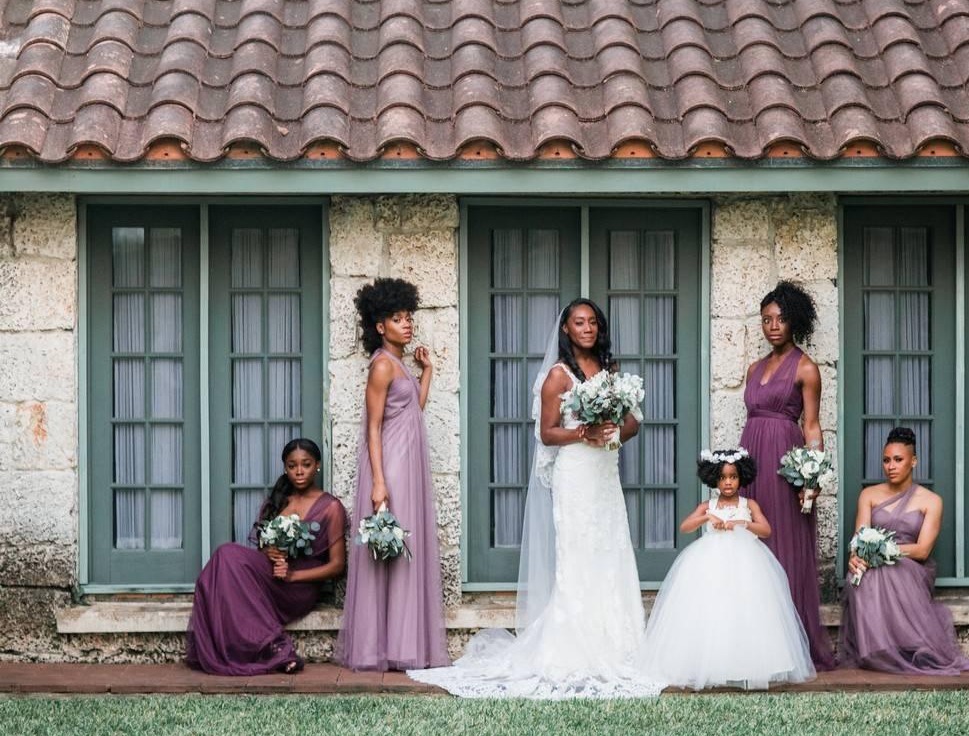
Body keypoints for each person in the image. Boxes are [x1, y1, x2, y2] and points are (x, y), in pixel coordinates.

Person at [410, 299, 664, 698]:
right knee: (578, 553)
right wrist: (585, 433)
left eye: (593, 322)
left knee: (610, 549)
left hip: (604, 474)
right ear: (566, 329)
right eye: (579, 322)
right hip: (575, 474)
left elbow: (631, 423)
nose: (587, 328)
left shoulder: (611, 371)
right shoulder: (557, 378)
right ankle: (576, 644)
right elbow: (547, 433)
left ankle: (619, 643)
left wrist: (613, 430)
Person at [335, 277, 449, 671]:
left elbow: (414, 406)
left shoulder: (400, 363)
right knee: (392, 551)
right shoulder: (381, 366)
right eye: (397, 319)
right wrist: (379, 481)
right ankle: (381, 646)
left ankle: (404, 642)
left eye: (408, 317)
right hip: (393, 467)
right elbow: (373, 425)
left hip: (409, 464)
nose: (407, 324)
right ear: (380, 326)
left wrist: (428, 371)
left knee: (406, 550)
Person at [637, 448, 815, 690]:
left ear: (742, 476)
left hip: (747, 563)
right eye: (722, 477)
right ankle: (712, 665)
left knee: (746, 610)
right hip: (710, 561)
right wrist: (707, 518)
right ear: (714, 479)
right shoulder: (707, 505)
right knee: (713, 609)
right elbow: (685, 527)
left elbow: (766, 530)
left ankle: (746, 665)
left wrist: (743, 522)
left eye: (732, 476)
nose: (728, 482)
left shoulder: (748, 503)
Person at [186, 438, 346, 675]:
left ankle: (274, 648)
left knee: (227, 556)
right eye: (292, 466)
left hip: (298, 587)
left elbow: (337, 566)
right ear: (285, 468)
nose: (299, 471)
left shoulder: (331, 507)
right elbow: (262, 549)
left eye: (306, 464)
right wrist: (267, 552)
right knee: (225, 555)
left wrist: (293, 575)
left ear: (317, 466)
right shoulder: (280, 500)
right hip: (270, 579)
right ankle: (257, 646)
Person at [738, 280, 834, 670]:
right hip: (751, 460)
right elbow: (751, 418)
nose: (773, 326)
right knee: (749, 547)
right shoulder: (753, 368)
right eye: (766, 320)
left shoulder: (806, 368)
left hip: (784, 464)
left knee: (784, 547)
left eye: (780, 318)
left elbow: (812, 427)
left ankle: (788, 645)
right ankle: (752, 642)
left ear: (794, 321)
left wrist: (811, 478)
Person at [839, 427, 969, 675]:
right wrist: (855, 558)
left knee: (891, 569)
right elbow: (859, 539)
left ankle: (904, 647)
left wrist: (883, 551)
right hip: (873, 564)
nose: (890, 466)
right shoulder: (869, 495)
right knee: (863, 574)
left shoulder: (931, 500)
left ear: (913, 461)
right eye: (886, 460)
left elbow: (922, 550)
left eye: (898, 460)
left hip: (911, 566)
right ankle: (877, 649)